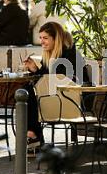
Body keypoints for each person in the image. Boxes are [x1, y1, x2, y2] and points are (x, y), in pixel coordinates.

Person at [23, 22, 84, 150]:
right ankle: (33, 134)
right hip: (57, 98)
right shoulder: (52, 55)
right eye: (40, 38)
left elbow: (56, 78)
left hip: (72, 100)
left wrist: (40, 73)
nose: (42, 42)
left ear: (56, 39)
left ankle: (34, 134)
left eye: (45, 38)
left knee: (28, 91)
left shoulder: (69, 54)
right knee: (25, 90)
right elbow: (46, 78)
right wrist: (35, 69)